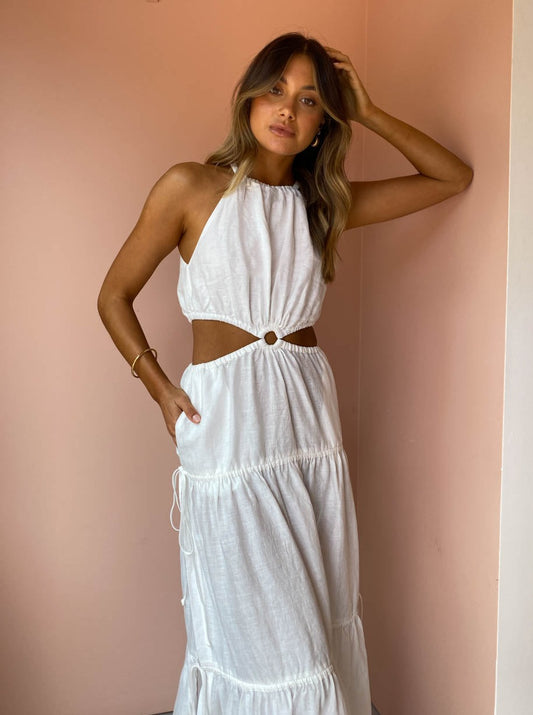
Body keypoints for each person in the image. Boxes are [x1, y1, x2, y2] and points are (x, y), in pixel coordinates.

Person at [97, 32, 472, 715]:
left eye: (309, 100)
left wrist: (368, 111)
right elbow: (112, 295)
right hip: (226, 422)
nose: (287, 110)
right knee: (256, 630)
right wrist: (159, 390)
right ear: (248, 96)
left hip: (304, 421)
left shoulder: (322, 205)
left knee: (316, 608)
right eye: (276, 90)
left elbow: (450, 178)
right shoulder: (189, 187)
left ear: (324, 121)